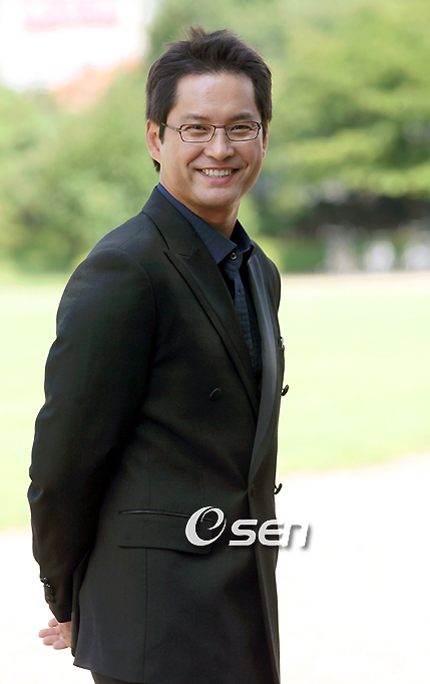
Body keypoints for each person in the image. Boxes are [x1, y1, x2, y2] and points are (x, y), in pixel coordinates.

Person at [28, 26, 286, 684]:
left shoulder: (258, 272)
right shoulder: (125, 269)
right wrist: (70, 596)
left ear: (264, 136)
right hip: (154, 632)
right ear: (155, 138)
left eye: (240, 127)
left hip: (242, 608)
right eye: (196, 128)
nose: (219, 149)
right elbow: (64, 461)